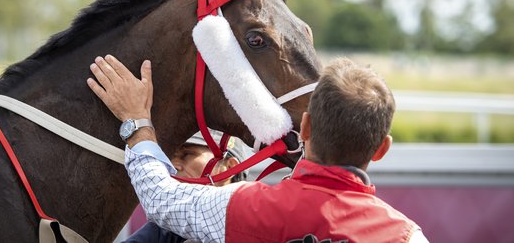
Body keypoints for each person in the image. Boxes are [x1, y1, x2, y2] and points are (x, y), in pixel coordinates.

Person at [87, 55, 429, 242]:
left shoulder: (243, 206)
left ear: (305, 126)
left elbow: (160, 199)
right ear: (382, 148)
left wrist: (136, 121)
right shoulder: (407, 237)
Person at [123, 130, 248, 243]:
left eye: (187, 155)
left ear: (230, 168)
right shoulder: (166, 228)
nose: (173, 165)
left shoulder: (254, 223)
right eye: (170, 157)